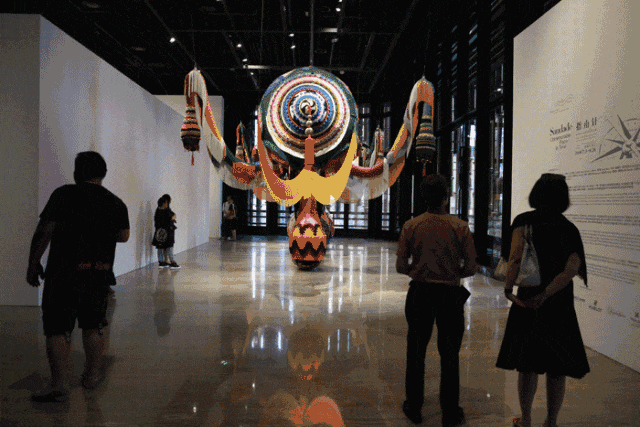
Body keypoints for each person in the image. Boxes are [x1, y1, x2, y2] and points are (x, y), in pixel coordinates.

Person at [26, 151, 129, 402]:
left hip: (63, 273)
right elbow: (123, 235)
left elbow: (45, 230)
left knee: (58, 328)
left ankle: (60, 384)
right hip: (97, 273)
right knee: (94, 326)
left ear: (77, 172)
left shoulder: (64, 195)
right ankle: (91, 376)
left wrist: (33, 262)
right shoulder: (115, 203)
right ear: (103, 173)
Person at [496, 173, 589, 427]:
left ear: (537, 193)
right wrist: (547, 294)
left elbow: (515, 257)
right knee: (557, 368)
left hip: (526, 300)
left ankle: (525, 419)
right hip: (559, 303)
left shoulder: (524, 221)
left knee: (527, 364)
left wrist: (509, 288)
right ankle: (551, 422)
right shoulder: (569, 228)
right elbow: (571, 269)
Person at [396, 174, 478, 426]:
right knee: (450, 354)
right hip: (450, 296)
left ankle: (414, 406)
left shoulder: (411, 226)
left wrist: (419, 270)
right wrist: (451, 273)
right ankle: (450, 412)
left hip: (420, 293)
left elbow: (401, 266)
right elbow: (471, 267)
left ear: (424, 198)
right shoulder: (460, 227)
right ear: (446, 197)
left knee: (416, 351)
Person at [152, 194, 180, 269]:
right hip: (167, 233)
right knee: (169, 247)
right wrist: (173, 218)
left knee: (160, 247)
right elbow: (172, 217)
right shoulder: (166, 211)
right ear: (164, 203)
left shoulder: (157, 211)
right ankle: (172, 262)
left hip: (159, 232)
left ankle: (161, 262)